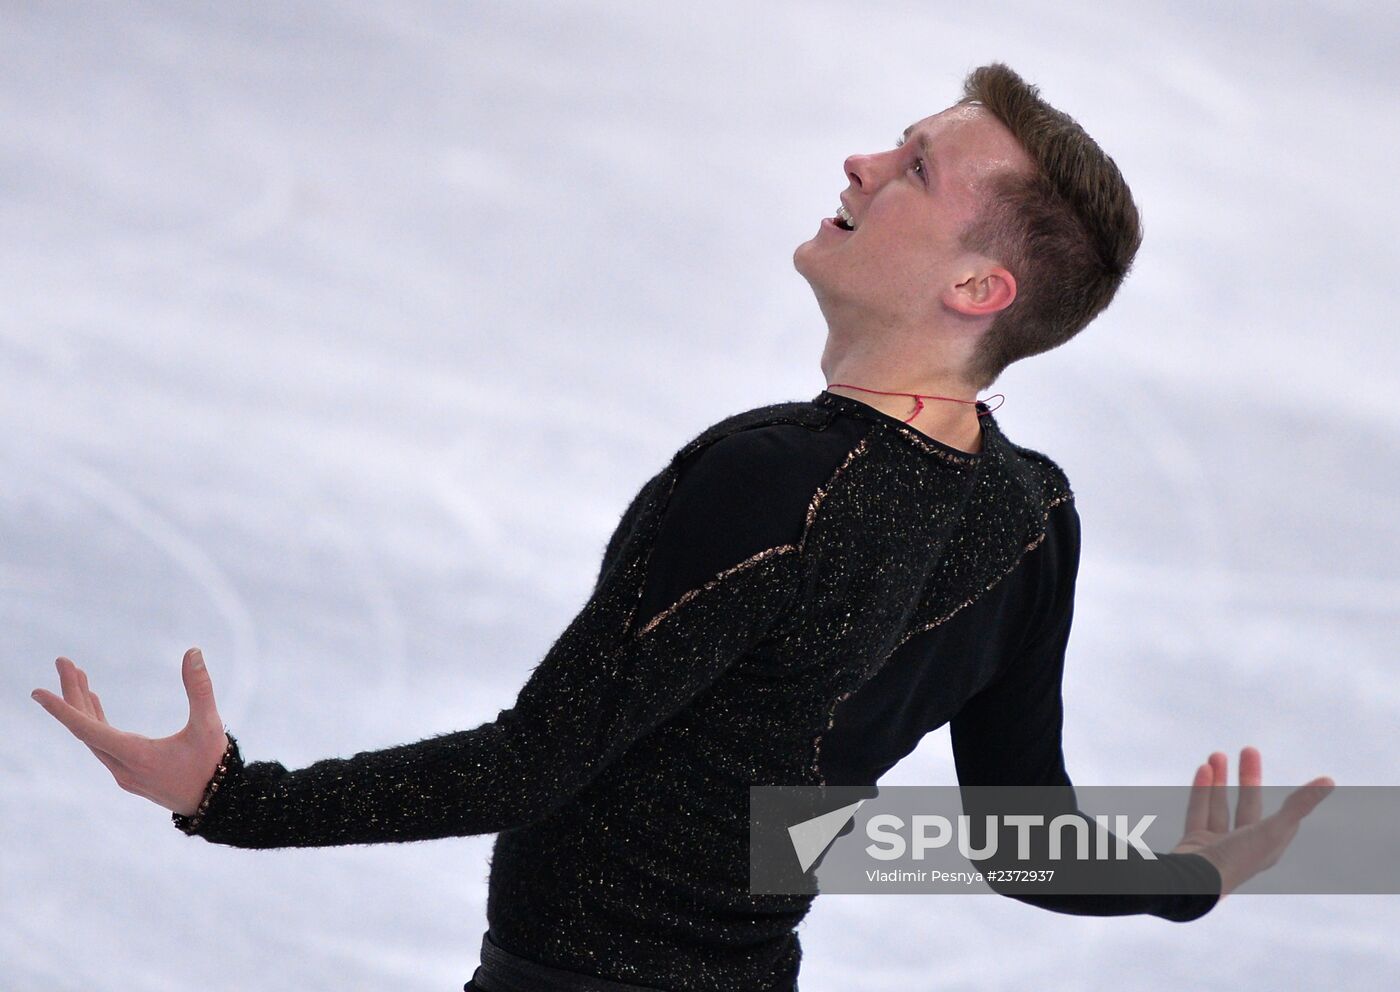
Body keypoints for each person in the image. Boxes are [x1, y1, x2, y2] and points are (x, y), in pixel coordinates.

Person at [32, 63, 1333, 992]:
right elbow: (1014, 834)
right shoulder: (1027, 513)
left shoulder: (768, 482)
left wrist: (225, 796)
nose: (862, 163)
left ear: (975, 286)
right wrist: (1190, 877)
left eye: (915, 169)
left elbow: (535, 764)